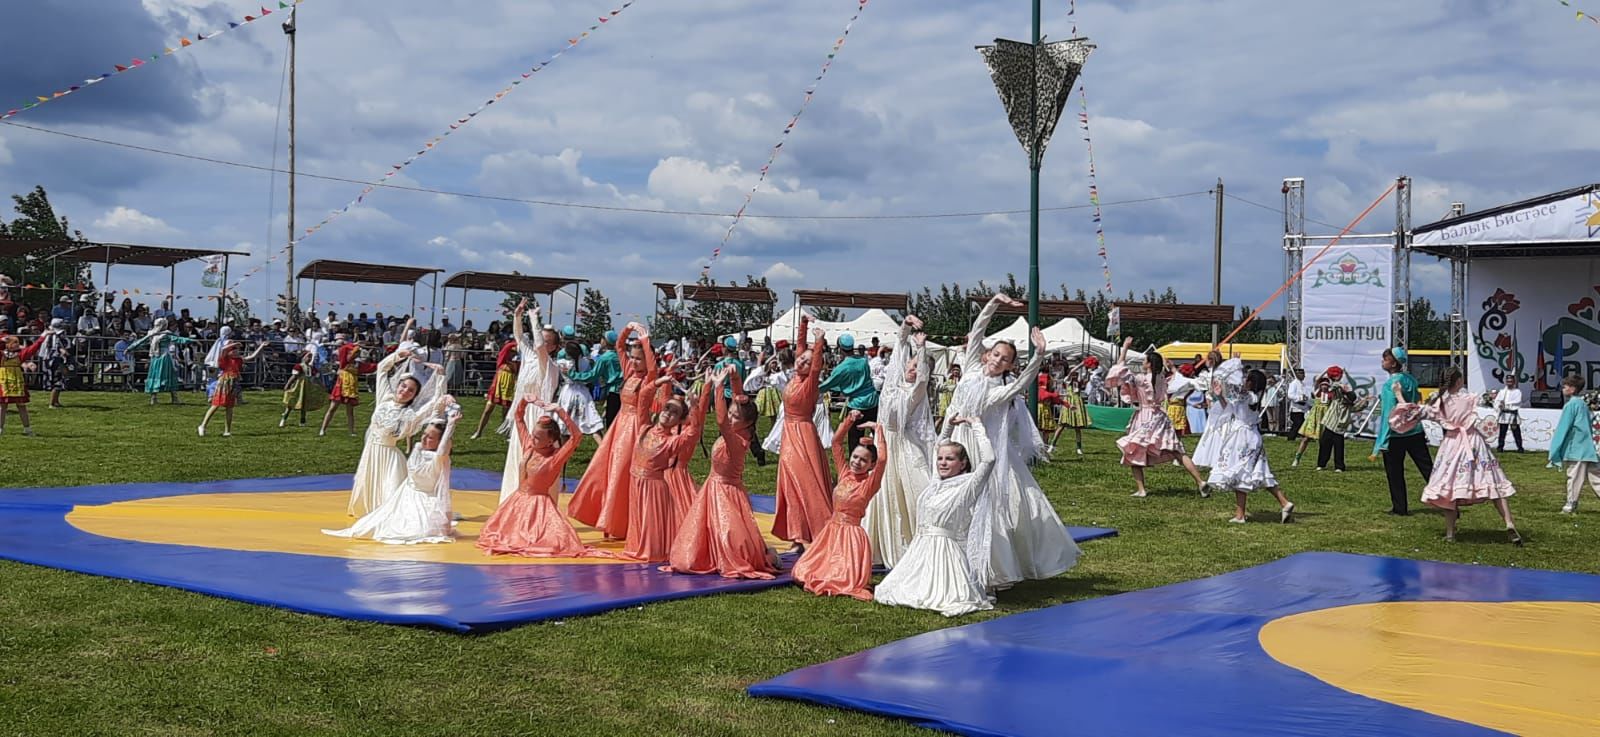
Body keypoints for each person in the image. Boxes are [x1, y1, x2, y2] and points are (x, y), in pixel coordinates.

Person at [944, 294, 1079, 593]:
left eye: (1004, 359)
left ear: (1008, 366)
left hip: (980, 449)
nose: (997, 360)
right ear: (986, 355)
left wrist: (1039, 355)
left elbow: (1022, 383)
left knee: (983, 506)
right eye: (995, 354)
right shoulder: (970, 370)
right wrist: (994, 304)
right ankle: (950, 560)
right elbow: (977, 330)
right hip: (955, 442)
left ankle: (991, 567)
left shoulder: (999, 391)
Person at [663, 366, 778, 579]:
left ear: (748, 423)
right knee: (703, 534)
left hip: (727, 491)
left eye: (736, 417)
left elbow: (721, 420)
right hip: (712, 487)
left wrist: (718, 388)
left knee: (729, 535)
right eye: (732, 414)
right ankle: (713, 555)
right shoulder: (737, 428)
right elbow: (737, 399)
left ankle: (739, 556)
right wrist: (733, 377)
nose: (732, 418)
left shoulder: (737, 440)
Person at [873, 422, 997, 617]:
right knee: (897, 588)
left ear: (962, 463)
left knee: (941, 593)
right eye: (941, 459)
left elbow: (989, 459)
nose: (943, 463)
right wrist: (948, 426)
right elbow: (936, 450)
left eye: (950, 459)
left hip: (944, 549)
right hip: (921, 545)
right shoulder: (936, 483)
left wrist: (977, 426)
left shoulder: (967, 486)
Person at [1396, 366, 1518, 543]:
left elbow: (1413, 412)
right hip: (1474, 442)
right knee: (1494, 483)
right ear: (1459, 381)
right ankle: (1509, 523)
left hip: (1452, 445)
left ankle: (1450, 533)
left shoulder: (1439, 402)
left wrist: (1399, 394)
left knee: (1449, 488)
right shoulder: (1470, 399)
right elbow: (1489, 412)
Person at [478, 399, 613, 558]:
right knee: (501, 536)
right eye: (533, 435)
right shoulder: (529, 446)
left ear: (550, 440)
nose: (533, 439)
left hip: (539, 507)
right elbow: (519, 417)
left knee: (539, 541)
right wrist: (524, 401)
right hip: (517, 502)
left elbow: (576, 436)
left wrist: (560, 411)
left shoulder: (555, 458)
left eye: (538, 437)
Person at [325, 400, 461, 545]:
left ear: (440, 442)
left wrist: (451, 425)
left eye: (430, 437)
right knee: (373, 524)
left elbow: (442, 449)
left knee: (414, 529)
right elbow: (433, 419)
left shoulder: (439, 459)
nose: (424, 438)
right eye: (424, 434)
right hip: (405, 496)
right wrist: (441, 402)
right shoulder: (418, 448)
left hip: (425, 500)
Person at [568, 322, 657, 539]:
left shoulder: (649, 378)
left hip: (636, 429)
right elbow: (618, 347)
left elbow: (654, 368)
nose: (635, 362)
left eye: (639, 358)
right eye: (633, 358)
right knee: (606, 468)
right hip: (619, 426)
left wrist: (644, 339)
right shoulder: (629, 373)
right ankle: (608, 518)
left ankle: (622, 523)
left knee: (622, 472)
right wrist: (628, 329)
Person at [347, 339, 448, 516]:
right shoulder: (385, 398)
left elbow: (435, 403)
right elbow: (382, 369)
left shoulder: (410, 414)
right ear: (398, 385)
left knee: (391, 503)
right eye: (403, 386)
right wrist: (396, 356)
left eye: (410, 391)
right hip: (371, 452)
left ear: (413, 396)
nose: (404, 391)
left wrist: (440, 378)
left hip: (389, 457)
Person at [793, 413, 888, 600]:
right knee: (802, 570)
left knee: (842, 577)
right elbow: (836, 443)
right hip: (831, 531)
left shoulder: (868, 484)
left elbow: (883, 460)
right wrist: (849, 421)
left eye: (863, 460)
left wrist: (879, 430)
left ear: (871, 465)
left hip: (851, 536)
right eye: (855, 457)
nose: (856, 462)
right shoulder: (845, 473)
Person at [864, 316, 934, 568]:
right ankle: (882, 546)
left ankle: (923, 546)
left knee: (913, 494)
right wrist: (904, 326)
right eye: (912, 365)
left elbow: (923, 379)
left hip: (903, 446)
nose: (912, 369)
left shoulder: (914, 394)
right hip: (884, 445)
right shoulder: (893, 384)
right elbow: (898, 347)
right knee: (883, 496)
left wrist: (922, 350)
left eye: (918, 367)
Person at [1107, 337, 1208, 498]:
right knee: (1177, 450)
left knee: (1133, 452)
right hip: (1160, 417)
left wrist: (1125, 348)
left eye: (1144, 361)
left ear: (1149, 364)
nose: (1142, 363)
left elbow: (1119, 368)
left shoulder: (1140, 379)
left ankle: (1141, 489)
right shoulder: (1161, 378)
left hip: (1144, 417)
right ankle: (1200, 481)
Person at [622, 382, 711, 563]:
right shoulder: (644, 427)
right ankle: (636, 545)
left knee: (651, 524)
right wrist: (659, 381)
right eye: (667, 408)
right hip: (635, 482)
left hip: (653, 488)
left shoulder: (671, 441)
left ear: (679, 421)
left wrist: (694, 406)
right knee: (638, 520)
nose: (668, 413)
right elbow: (644, 399)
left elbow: (694, 432)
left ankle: (653, 551)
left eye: (674, 412)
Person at [1206, 361, 1295, 524]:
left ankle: (1240, 515)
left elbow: (1236, 391)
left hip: (1244, 438)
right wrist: (1219, 394)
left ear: (1251, 383)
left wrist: (1235, 369)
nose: (1244, 381)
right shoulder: (1250, 397)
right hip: (1250, 436)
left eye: (1247, 379)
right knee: (1257, 474)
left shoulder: (1250, 396)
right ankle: (1284, 503)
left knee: (1242, 474)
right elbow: (1230, 406)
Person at [771, 325, 835, 552]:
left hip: (802, 434)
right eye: (801, 360)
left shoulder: (809, 383)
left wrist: (819, 341)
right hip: (790, 432)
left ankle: (820, 532)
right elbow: (800, 350)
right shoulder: (795, 376)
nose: (802, 363)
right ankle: (797, 536)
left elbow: (815, 366)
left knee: (805, 482)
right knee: (789, 484)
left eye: (807, 362)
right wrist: (804, 326)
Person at [497, 301, 564, 503]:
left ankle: (535, 501)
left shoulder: (550, 366)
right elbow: (519, 337)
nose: (540, 342)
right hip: (523, 413)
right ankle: (512, 499)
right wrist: (518, 316)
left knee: (534, 459)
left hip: (538, 416)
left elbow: (539, 346)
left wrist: (534, 319)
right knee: (518, 457)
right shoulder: (528, 357)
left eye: (546, 340)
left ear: (553, 347)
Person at [1375, 347, 1433, 516]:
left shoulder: (1389, 385)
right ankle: (1446, 500)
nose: (1382, 362)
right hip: (1414, 429)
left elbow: (1388, 412)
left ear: (1392, 364)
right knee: (1427, 468)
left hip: (1395, 433)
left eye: (1384, 359)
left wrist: (1382, 440)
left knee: (1395, 472)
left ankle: (1400, 507)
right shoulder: (1411, 380)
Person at [1549, 374, 1600, 514]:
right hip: (1588, 447)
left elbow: (1564, 427)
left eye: (1564, 386)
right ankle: (1571, 503)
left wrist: (1555, 448)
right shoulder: (1583, 404)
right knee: (1596, 478)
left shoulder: (1571, 405)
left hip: (1576, 447)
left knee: (1575, 476)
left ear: (1572, 389)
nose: (1563, 389)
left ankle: (1570, 504)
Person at [819, 333, 880, 449]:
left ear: (840, 348)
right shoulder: (863, 361)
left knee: (855, 439)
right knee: (877, 435)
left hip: (856, 406)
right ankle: (878, 460)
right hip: (873, 401)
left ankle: (856, 462)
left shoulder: (841, 368)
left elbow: (827, 385)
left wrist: (811, 387)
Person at [198, 339, 268, 437]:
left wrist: (261, 346)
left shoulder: (239, 360)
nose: (235, 351)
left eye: (236, 349)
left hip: (233, 383)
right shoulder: (224, 358)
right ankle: (203, 425)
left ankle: (227, 430)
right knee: (216, 404)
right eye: (233, 349)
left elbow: (252, 356)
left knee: (229, 407)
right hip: (224, 382)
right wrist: (234, 344)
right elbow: (223, 349)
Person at [128, 318, 196, 405]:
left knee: (160, 375)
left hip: (157, 358)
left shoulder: (157, 334)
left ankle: (164, 398)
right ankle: (164, 398)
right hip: (162, 358)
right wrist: (193, 340)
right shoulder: (159, 334)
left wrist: (130, 348)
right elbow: (178, 339)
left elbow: (141, 342)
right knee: (165, 375)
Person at [320, 336, 374, 437]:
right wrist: (355, 344)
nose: (355, 354)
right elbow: (343, 348)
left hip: (350, 388)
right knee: (332, 409)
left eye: (357, 353)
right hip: (340, 387)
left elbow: (371, 367)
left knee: (350, 411)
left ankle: (351, 431)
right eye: (354, 352)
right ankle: (323, 429)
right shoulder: (344, 362)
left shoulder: (358, 365)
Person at [569, 331, 624, 426]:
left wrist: (572, 374)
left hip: (613, 392)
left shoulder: (604, 358)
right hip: (624, 389)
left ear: (605, 341)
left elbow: (592, 375)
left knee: (611, 421)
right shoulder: (620, 355)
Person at [470, 338, 519, 440]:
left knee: (506, 413)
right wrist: (518, 342)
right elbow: (506, 348)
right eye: (511, 351)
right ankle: (479, 432)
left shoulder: (516, 363)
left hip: (508, 388)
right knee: (487, 410)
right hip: (497, 387)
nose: (512, 353)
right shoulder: (502, 360)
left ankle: (506, 433)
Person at [0, 334, 44, 436]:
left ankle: (27, 429)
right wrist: (2, 340)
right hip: (4, 382)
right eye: (14, 342)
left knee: (21, 406)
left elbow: (33, 348)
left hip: (17, 382)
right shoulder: (2, 355)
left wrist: (42, 337)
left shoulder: (19, 355)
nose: (17, 345)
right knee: (2, 406)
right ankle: (0, 428)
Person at [1315, 366, 1355, 472]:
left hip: (1342, 416)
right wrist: (1326, 371)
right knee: (1325, 442)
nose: (1338, 376)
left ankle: (1339, 466)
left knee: (1338, 443)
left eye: (1339, 374)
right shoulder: (1333, 385)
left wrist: (1345, 389)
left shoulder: (1345, 385)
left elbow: (1352, 397)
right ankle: (1321, 463)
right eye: (1336, 375)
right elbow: (1327, 385)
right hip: (1332, 417)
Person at [279, 344, 329, 429]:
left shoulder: (311, 368)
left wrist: (322, 386)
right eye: (308, 357)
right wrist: (288, 384)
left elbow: (316, 378)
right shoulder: (299, 366)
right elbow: (294, 377)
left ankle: (302, 421)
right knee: (292, 402)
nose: (309, 359)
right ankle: (284, 419)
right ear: (303, 357)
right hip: (298, 386)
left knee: (304, 404)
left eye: (310, 357)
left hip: (307, 387)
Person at [1293, 375, 1330, 467]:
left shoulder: (1330, 395)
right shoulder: (1317, 392)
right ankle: (1297, 458)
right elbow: (1317, 381)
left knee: (1323, 442)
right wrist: (1326, 372)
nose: (1324, 387)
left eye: (1326, 385)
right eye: (1323, 385)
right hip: (1314, 419)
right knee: (1305, 439)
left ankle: (1321, 462)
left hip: (1324, 419)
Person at [1493, 375, 1525, 453]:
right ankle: (1500, 447)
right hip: (1504, 414)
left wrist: (1506, 404)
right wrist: (1499, 405)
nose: (1509, 383)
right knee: (1502, 432)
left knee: (1516, 432)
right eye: (1508, 381)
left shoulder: (1517, 392)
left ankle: (1520, 447)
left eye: (1511, 381)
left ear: (1514, 382)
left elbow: (1518, 402)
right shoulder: (1502, 392)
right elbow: (1497, 401)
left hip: (1512, 415)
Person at [1285, 367, 1309, 438]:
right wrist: (1300, 398)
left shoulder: (1303, 384)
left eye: (1303, 374)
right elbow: (1290, 395)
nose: (1303, 376)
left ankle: (1304, 437)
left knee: (1302, 423)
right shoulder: (1294, 383)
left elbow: (1306, 394)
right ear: (1297, 374)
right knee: (1297, 423)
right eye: (1301, 374)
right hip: (1296, 407)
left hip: (1303, 407)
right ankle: (1291, 437)